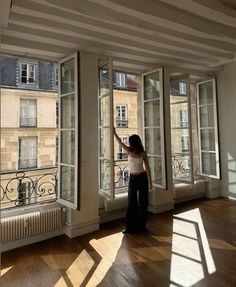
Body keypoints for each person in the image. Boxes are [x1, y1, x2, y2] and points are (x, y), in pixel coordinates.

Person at [114, 127, 153, 234]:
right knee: (131, 202)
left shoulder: (143, 153)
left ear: (134, 142)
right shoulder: (129, 150)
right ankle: (130, 227)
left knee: (143, 202)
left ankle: (142, 226)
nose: (129, 143)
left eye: (130, 141)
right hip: (132, 178)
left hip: (142, 178)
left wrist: (150, 182)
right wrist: (114, 132)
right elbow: (120, 142)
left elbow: (147, 168)